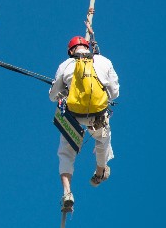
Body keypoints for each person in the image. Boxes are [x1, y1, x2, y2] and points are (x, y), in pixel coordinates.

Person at [48, 35, 119, 212]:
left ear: (71, 51)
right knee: (103, 141)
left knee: (66, 152)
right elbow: (115, 92)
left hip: (74, 117)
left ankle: (67, 192)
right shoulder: (104, 61)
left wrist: (64, 90)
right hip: (97, 116)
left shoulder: (65, 65)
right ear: (88, 47)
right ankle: (100, 171)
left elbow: (52, 96)